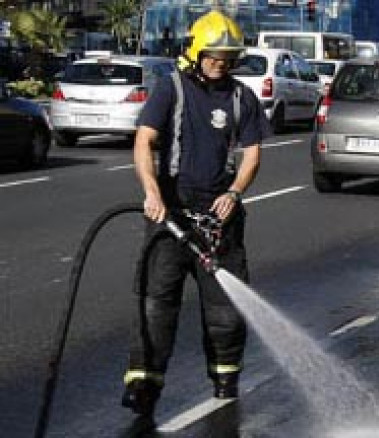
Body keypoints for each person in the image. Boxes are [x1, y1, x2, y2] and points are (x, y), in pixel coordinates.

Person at [123, 9, 271, 416]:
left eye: (226, 60)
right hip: (169, 218)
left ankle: (225, 382)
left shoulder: (242, 97)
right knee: (156, 305)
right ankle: (144, 385)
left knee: (225, 312)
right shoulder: (170, 89)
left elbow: (253, 153)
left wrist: (236, 193)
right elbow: (144, 141)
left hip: (218, 224)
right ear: (195, 51)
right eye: (212, 58)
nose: (219, 65)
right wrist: (152, 192)